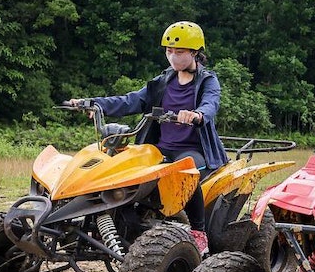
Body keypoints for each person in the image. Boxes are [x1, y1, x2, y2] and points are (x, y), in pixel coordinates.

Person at [68, 21, 227, 253]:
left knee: (186, 170)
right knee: (125, 168)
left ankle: (198, 231)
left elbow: (210, 104)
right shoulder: (163, 81)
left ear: (195, 53)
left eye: (179, 52)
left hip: (192, 149)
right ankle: (125, 223)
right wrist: (92, 103)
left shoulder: (207, 80)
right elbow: (130, 101)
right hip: (159, 148)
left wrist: (197, 115)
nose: (173, 57)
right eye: (169, 51)